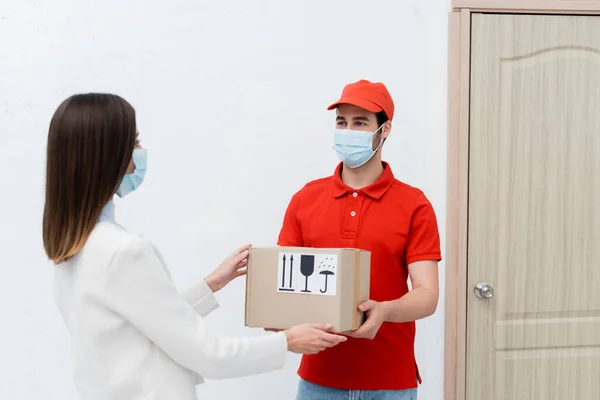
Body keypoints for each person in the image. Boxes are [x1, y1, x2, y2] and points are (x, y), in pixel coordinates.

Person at [43, 93, 347, 400]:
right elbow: (211, 355)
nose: (141, 152)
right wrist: (288, 341)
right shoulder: (125, 252)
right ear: (110, 155)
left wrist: (211, 284)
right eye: (134, 142)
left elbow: (142, 325)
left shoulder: (71, 245)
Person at [277, 80, 441, 399]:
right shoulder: (305, 199)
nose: (348, 130)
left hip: (390, 382)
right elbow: (285, 285)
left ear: (385, 130)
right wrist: (277, 317)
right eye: (342, 122)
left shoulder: (414, 205)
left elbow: (428, 295)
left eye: (360, 122)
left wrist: (385, 310)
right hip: (319, 381)